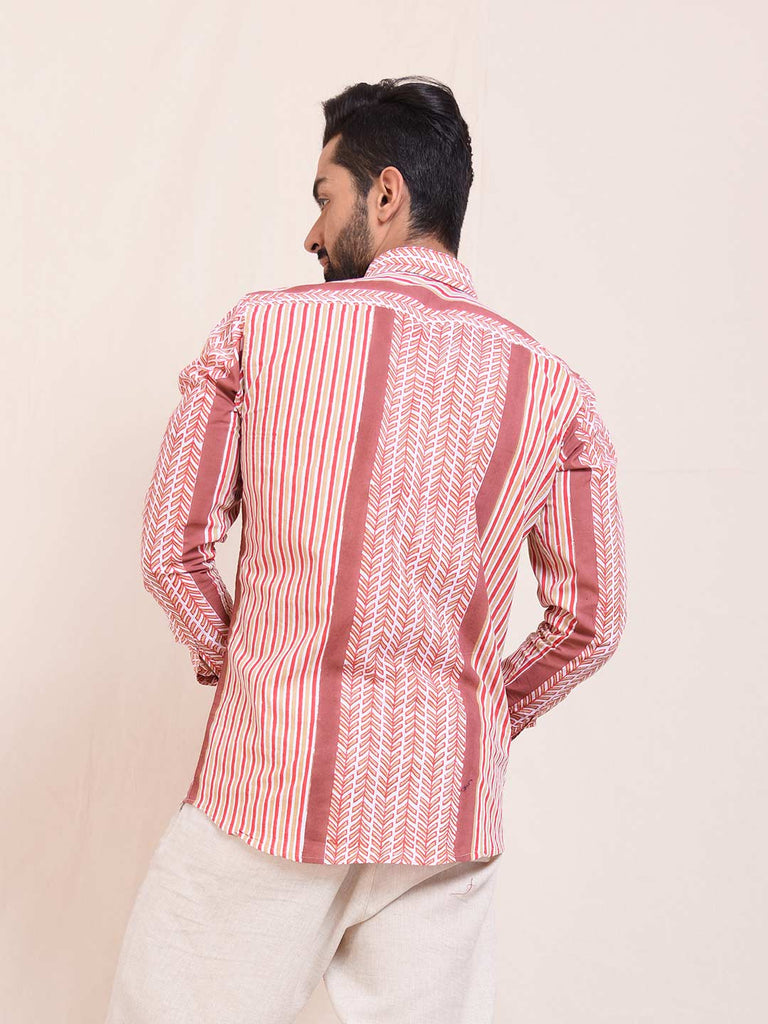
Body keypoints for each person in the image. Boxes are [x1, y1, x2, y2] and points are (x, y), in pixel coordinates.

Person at [105, 74, 627, 1023]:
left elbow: (169, 549)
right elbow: (592, 618)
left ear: (386, 194)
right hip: (444, 813)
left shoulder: (261, 332)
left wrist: (246, 664)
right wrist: (482, 713)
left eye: (325, 197)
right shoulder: (555, 390)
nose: (312, 233)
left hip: (270, 787)